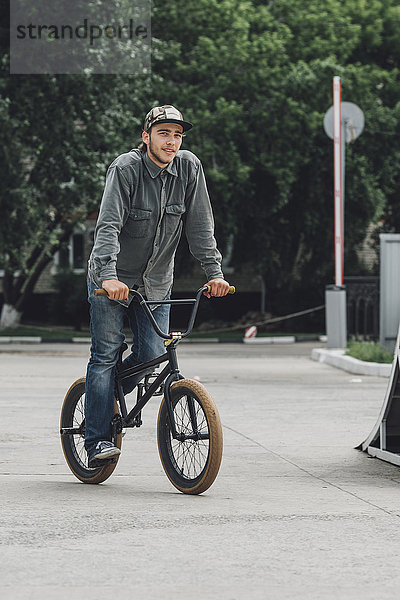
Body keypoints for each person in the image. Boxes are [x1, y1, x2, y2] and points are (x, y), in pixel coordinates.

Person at [85, 104, 230, 467]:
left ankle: (105, 393)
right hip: (112, 280)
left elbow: (200, 226)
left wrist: (214, 273)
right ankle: (96, 438)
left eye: (178, 135)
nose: (172, 141)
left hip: (157, 282)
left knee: (151, 355)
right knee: (105, 356)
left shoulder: (189, 168)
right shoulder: (126, 169)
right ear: (146, 136)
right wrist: (108, 276)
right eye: (164, 133)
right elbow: (108, 227)